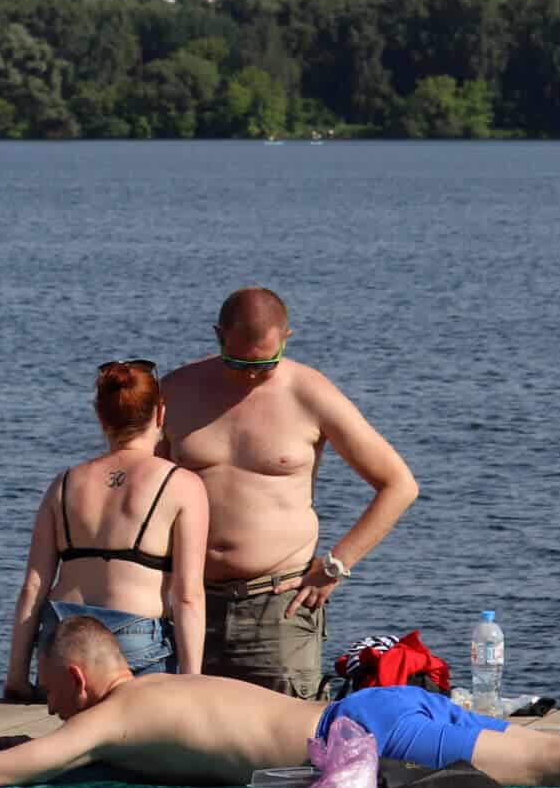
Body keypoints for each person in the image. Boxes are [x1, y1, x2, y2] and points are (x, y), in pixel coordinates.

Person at [0, 615, 560, 788]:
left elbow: (30, 764)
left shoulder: (117, 708)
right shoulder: (160, 688)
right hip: (379, 707)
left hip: (365, 734)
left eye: (53, 688)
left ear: (76, 679)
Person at [161, 286, 417, 699]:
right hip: (190, 602)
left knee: (289, 749)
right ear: (217, 336)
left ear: (286, 338)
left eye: (264, 365)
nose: (249, 375)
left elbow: (398, 485)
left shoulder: (310, 393)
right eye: (237, 361)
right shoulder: (176, 391)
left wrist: (337, 564)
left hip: (280, 606)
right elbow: (143, 488)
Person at [2, 359, 207, 701]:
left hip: (62, 638)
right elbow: (188, 596)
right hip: (132, 641)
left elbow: (33, 587)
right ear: (160, 414)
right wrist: (192, 683)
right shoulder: (181, 485)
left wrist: (17, 677)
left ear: (100, 417)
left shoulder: (64, 484)